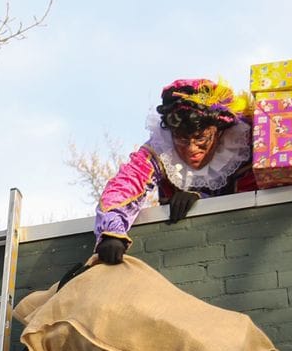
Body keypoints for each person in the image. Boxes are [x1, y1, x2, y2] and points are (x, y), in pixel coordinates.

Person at [93, 77, 254, 263]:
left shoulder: (243, 145)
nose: (192, 149)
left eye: (200, 138)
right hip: (181, 246)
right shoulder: (160, 150)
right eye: (183, 140)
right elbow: (127, 183)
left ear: (218, 132)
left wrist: (203, 200)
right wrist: (111, 232)